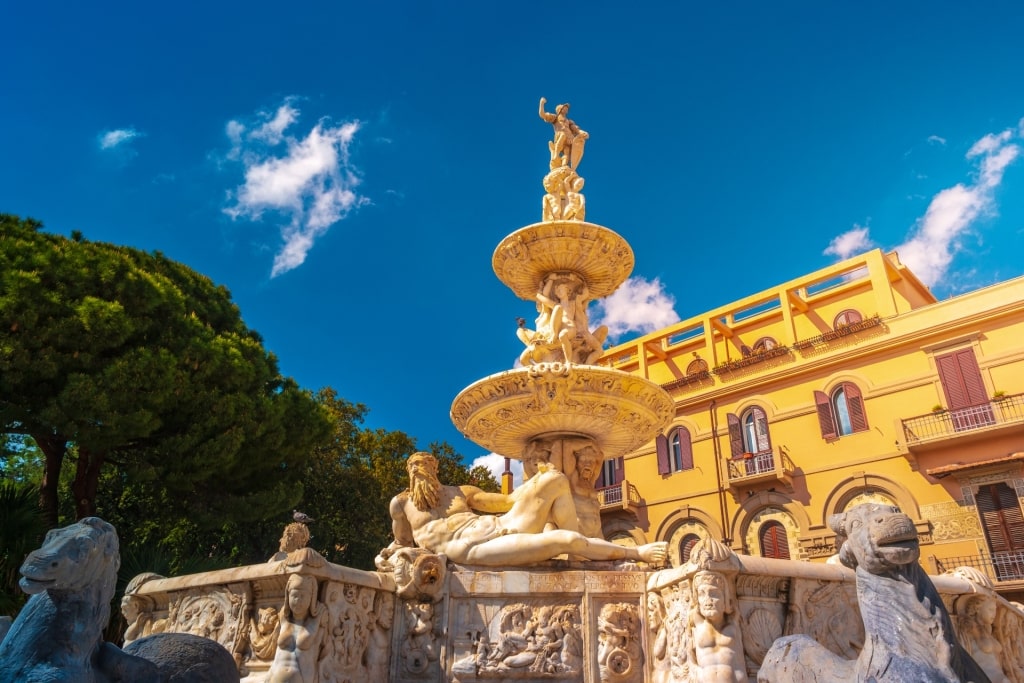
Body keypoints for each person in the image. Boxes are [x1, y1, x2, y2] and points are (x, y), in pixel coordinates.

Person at [381, 452, 666, 568]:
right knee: (566, 540)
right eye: (413, 465)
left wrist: (538, 480)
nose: (419, 469)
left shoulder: (460, 492)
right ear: (408, 471)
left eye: (425, 464)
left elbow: (507, 502)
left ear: (436, 469)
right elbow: (401, 543)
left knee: (556, 479)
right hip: (467, 549)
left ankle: (578, 554)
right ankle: (634, 553)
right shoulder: (402, 503)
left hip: (497, 526)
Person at [269, 574, 328, 683]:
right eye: (294, 595)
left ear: (312, 598)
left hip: (302, 678)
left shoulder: (319, 616)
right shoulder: (283, 616)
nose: (298, 600)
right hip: (274, 676)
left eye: (303, 596)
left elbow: (326, 649)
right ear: (288, 595)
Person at [539, 97, 589, 170]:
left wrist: (582, 133)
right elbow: (542, 114)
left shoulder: (568, 121)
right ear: (560, 109)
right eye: (564, 108)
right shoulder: (555, 118)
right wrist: (542, 103)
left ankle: (564, 165)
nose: (566, 109)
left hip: (569, 138)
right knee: (563, 135)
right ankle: (556, 154)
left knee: (567, 151)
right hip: (560, 136)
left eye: (566, 108)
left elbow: (575, 129)